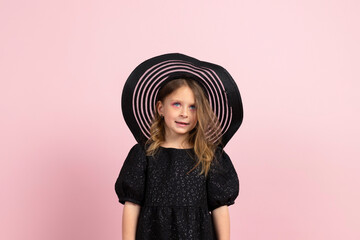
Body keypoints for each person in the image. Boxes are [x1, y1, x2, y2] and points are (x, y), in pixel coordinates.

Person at [115, 53, 243, 240]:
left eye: (193, 107)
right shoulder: (143, 154)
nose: (185, 113)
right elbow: (132, 205)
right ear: (160, 108)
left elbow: (219, 208)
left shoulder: (209, 155)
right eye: (177, 104)